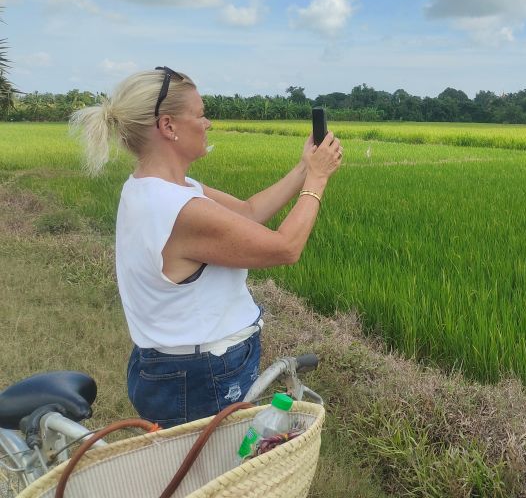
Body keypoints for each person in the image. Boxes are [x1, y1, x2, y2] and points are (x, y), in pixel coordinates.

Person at [70, 67, 342, 427]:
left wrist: (304, 167)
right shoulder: (180, 208)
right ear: (168, 127)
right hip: (201, 374)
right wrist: (318, 179)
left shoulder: (155, 188)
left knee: (192, 470)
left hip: (172, 367)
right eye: (200, 115)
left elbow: (249, 212)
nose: (208, 123)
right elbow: (285, 248)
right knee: (216, 473)